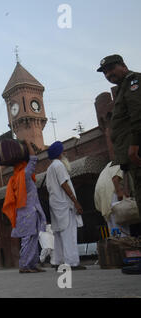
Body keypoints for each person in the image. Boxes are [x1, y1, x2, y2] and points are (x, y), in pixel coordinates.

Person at [97, 55, 141, 274]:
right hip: (129, 156)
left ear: (123, 66)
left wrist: (134, 144)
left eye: (112, 69)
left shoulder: (133, 82)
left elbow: (138, 115)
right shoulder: (124, 88)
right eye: (105, 72)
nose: (108, 74)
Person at [3, 141, 46, 273]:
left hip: (27, 212)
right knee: (28, 239)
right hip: (27, 212)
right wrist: (27, 144)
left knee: (32, 238)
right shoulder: (24, 175)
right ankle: (24, 265)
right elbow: (33, 159)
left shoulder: (16, 177)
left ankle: (32, 264)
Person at [46, 141, 86, 271]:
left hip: (56, 204)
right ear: (59, 153)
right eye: (63, 151)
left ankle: (58, 260)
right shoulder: (59, 165)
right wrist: (76, 202)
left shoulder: (50, 167)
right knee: (69, 233)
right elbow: (64, 184)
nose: (65, 153)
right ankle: (72, 262)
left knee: (58, 234)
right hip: (64, 204)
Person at [94, 162, 131, 237]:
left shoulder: (111, 164)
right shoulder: (121, 162)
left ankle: (117, 245)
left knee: (113, 228)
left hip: (104, 195)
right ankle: (124, 245)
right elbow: (115, 179)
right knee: (121, 226)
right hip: (113, 193)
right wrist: (120, 194)